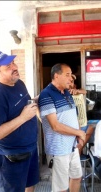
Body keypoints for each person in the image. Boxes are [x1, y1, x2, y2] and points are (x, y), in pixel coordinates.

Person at [0, 51, 39, 192]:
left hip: (30, 149)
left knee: (29, 185)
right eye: (8, 66)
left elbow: (26, 105)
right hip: (9, 157)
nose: (14, 67)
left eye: (13, 63)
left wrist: (42, 97)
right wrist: (22, 118)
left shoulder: (19, 83)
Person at [38, 63, 86, 192]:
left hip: (72, 146)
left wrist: (78, 134)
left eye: (71, 75)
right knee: (61, 188)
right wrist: (80, 133)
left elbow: (73, 117)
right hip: (58, 150)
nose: (71, 78)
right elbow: (55, 126)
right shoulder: (46, 95)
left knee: (76, 177)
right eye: (67, 75)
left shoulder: (66, 93)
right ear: (56, 76)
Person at [69, 74, 94, 154]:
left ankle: (78, 152)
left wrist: (77, 91)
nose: (70, 83)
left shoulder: (79, 91)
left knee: (90, 129)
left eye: (72, 81)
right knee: (76, 147)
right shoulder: (65, 94)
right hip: (75, 125)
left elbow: (84, 91)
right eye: (69, 81)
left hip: (83, 123)